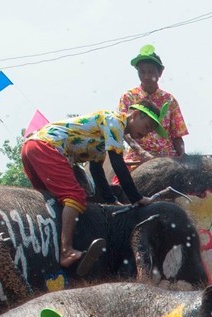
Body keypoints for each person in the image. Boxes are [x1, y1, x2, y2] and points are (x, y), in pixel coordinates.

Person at [21, 106, 156, 271]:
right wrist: (137, 198)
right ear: (135, 115)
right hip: (47, 146)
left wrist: (113, 201)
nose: (147, 133)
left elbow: (97, 171)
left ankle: (51, 250)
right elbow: (118, 164)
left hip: (31, 147)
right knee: (75, 197)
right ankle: (66, 251)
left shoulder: (101, 135)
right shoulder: (115, 121)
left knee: (52, 202)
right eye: (147, 126)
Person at [118, 44, 188, 167]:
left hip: (168, 158)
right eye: (142, 72)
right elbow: (122, 129)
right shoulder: (128, 97)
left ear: (160, 72)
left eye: (151, 72)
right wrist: (142, 152)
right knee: (120, 183)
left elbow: (177, 135)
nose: (146, 77)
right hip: (137, 158)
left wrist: (183, 157)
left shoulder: (170, 100)